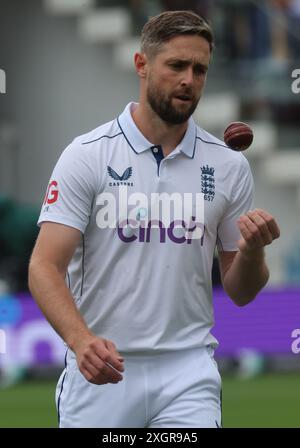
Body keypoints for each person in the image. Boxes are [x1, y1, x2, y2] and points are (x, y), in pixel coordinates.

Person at [28, 10, 280, 428]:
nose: (190, 80)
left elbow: (241, 291)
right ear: (141, 65)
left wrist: (253, 252)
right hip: (102, 369)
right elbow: (44, 266)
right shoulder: (87, 155)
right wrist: (81, 341)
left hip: (188, 372)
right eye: (177, 65)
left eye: (200, 69)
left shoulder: (228, 165)